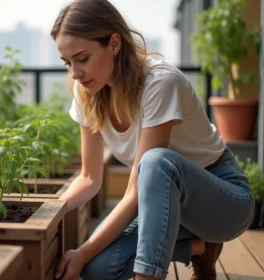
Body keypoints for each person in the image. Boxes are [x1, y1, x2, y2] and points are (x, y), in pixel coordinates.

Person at [50, 0, 255, 279]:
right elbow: (89, 178)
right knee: (96, 269)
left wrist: (83, 249)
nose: (75, 73)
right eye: (68, 62)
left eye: (82, 58)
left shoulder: (159, 81)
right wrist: (48, 211)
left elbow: (137, 190)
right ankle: (200, 249)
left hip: (223, 202)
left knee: (156, 162)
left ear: (113, 43)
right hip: (164, 206)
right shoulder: (86, 92)